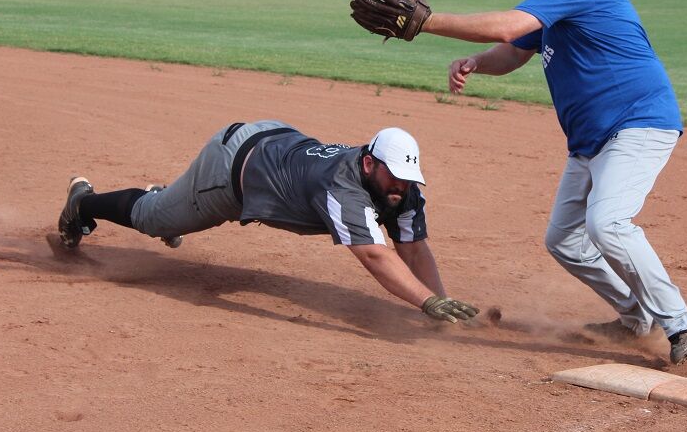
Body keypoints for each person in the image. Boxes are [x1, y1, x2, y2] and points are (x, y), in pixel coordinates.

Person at [419, 0, 687, 364]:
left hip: (637, 122)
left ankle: (681, 324)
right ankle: (637, 318)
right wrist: (477, 62)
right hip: (594, 137)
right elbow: (513, 51)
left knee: (607, 223)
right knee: (564, 239)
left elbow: (509, 24)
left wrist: (427, 21)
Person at [56, 122, 479, 324]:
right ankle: (83, 203)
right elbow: (374, 253)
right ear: (369, 163)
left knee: (170, 209)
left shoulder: (399, 186)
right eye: (395, 179)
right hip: (229, 172)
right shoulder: (342, 187)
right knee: (154, 218)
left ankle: (173, 198)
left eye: (409, 182)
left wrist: (443, 307)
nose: (401, 190)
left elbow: (413, 248)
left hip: (273, 144)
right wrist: (427, 303)